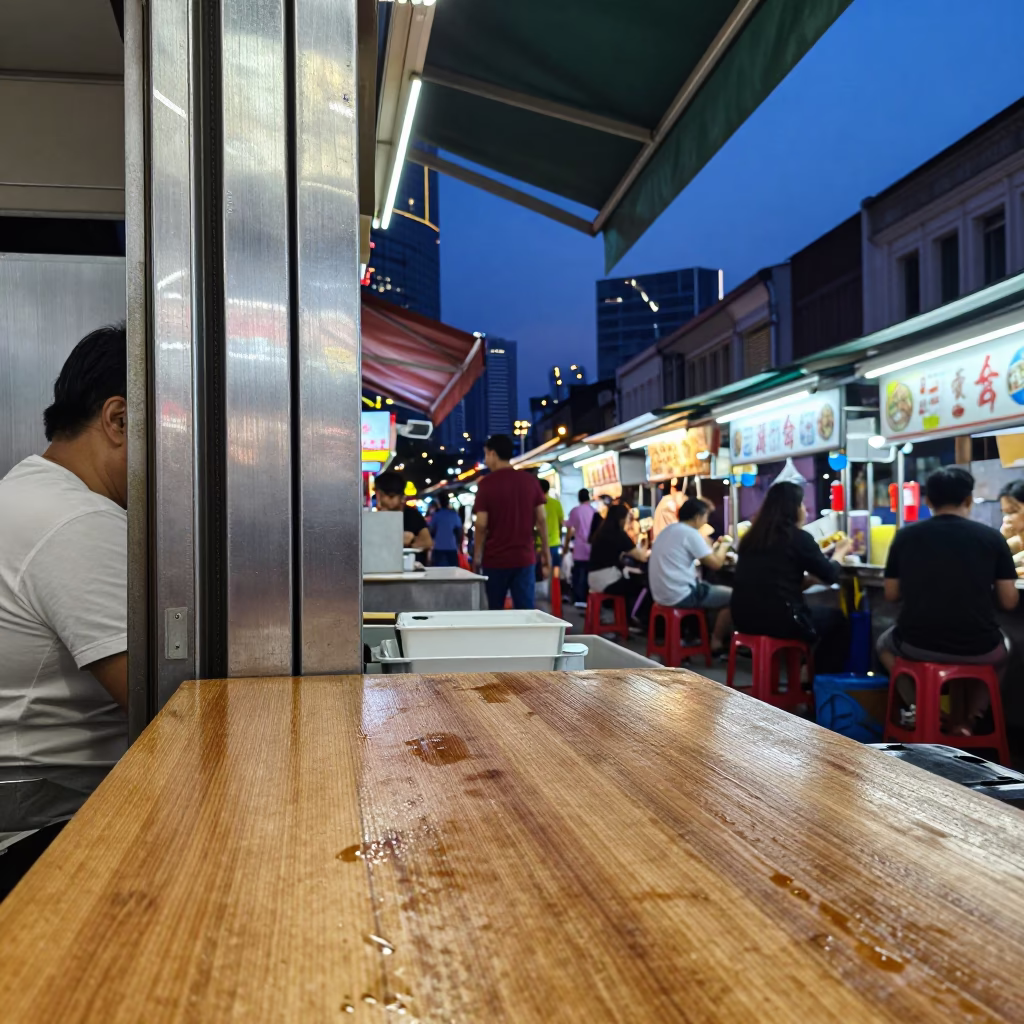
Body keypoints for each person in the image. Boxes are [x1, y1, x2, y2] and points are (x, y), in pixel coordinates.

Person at [0, 324, 129, 898]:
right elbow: (178, 703)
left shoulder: (29, 489)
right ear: (118, 420)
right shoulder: (80, 522)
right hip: (43, 833)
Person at [879, 466, 1018, 735]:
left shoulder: (905, 536)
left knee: (884, 644)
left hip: (916, 643)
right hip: (979, 645)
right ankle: (969, 719)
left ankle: (924, 708)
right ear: (968, 500)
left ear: (928, 500)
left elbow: (891, 594)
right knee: (1005, 649)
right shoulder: (991, 538)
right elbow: (1009, 601)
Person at [731, 481, 854, 673]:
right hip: (780, 621)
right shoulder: (797, 537)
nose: (805, 510)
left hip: (743, 618)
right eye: (802, 505)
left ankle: (803, 671)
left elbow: (772, 579)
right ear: (793, 509)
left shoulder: (751, 538)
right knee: (838, 620)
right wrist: (840, 552)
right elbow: (830, 574)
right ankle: (814, 679)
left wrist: (803, 582)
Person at [472, 434, 550, 609]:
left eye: (486, 454)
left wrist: (477, 556)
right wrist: (546, 552)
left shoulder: (486, 484)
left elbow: (481, 525)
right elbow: (542, 519)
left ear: (492, 454)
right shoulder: (530, 481)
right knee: (525, 611)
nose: (486, 460)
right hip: (524, 558)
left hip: (495, 560)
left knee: (495, 611)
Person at [649, 498, 733, 653]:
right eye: (706, 516)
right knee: (734, 597)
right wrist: (725, 545)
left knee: (712, 589)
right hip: (681, 595)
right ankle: (716, 641)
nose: (707, 520)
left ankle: (698, 637)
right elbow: (716, 564)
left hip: (660, 596)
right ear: (697, 517)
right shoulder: (690, 533)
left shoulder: (668, 530)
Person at [588, 503, 650, 626]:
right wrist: (649, 548)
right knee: (641, 585)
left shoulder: (601, 532)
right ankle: (633, 620)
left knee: (630, 583)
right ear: (622, 519)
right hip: (606, 581)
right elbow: (641, 557)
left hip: (593, 579)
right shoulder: (619, 534)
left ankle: (624, 620)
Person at [374, 471, 433, 561]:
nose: (382, 499)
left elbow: (427, 542)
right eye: (379, 495)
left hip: (410, 569)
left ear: (401, 496)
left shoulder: (411, 515)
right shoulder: (376, 518)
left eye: (391, 496)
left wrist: (412, 541)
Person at [566, 488, 596, 608]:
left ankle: (579, 599)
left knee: (578, 574)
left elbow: (569, 527)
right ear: (588, 497)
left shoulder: (575, 511)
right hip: (591, 549)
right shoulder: (594, 511)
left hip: (579, 549)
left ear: (578, 498)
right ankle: (587, 598)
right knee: (588, 574)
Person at [428, 492, 463, 567]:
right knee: (453, 572)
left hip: (438, 547)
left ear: (439, 502)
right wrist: (459, 545)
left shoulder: (436, 515)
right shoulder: (454, 514)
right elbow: (459, 531)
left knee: (438, 572)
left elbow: (431, 530)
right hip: (452, 547)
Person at [539, 479, 565, 577]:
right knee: (555, 570)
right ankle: (556, 588)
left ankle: (543, 591)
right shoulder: (556, 503)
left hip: (539, 544)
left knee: (541, 572)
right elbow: (561, 523)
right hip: (554, 543)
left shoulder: (535, 504)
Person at [999, 479, 1024, 575]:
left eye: (1013, 511)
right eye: (1005, 513)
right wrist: (1001, 539)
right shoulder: (1015, 542)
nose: (1007, 519)